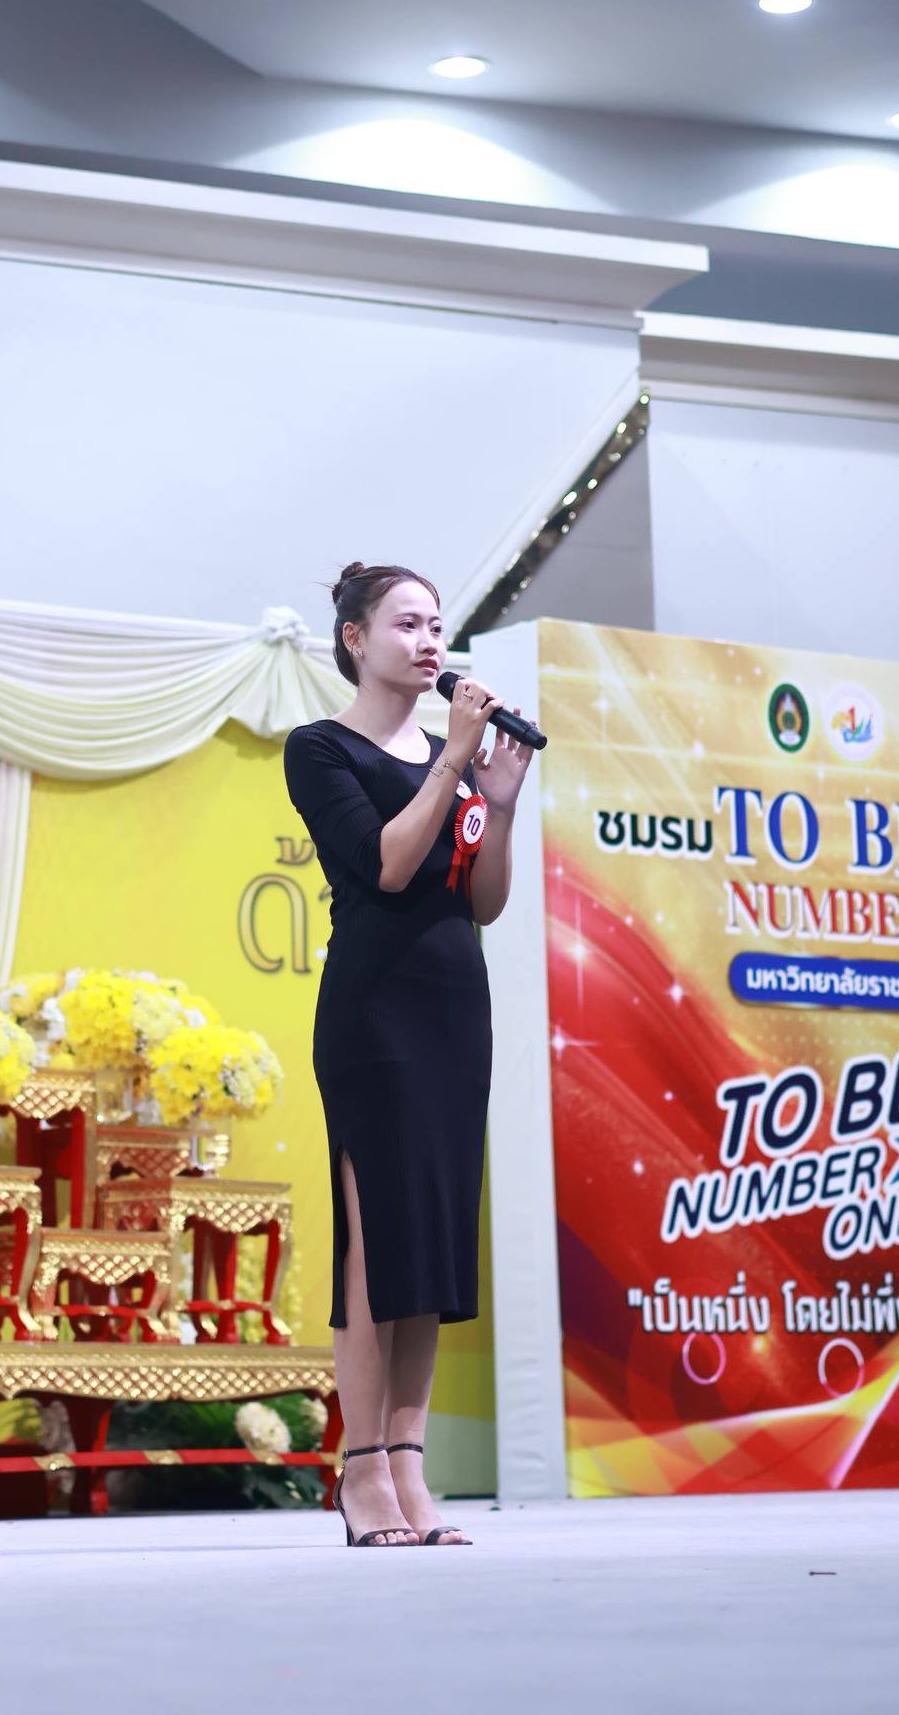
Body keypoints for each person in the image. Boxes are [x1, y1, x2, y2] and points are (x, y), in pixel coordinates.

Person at [283, 562, 534, 1547]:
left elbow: (481, 901)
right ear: (355, 638)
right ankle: (360, 1472)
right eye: (407, 623)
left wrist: (496, 801)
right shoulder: (321, 749)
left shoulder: (454, 759)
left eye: (437, 624)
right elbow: (387, 864)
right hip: (373, 1017)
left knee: (431, 1245)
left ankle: (408, 1465)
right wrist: (452, 760)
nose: (430, 640)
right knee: (374, 1246)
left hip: (454, 1012)